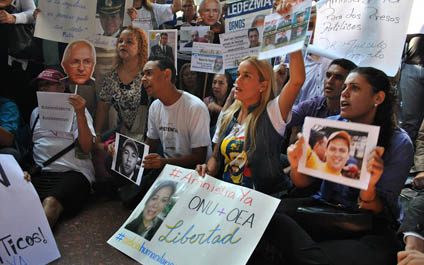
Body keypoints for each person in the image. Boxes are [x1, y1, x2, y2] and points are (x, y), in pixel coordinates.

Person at [285, 67, 414, 264]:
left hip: (365, 224)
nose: (344, 93)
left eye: (354, 88)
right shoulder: (328, 125)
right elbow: (303, 183)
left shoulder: (399, 143)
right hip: (322, 209)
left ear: (378, 98)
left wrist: (368, 186)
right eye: (344, 87)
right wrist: (296, 165)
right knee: (269, 218)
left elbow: (377, 210)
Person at [196, 50, 305, 195]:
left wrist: (293, 40)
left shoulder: (272, 113)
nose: (237, 81)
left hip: (260, 203)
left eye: (246, 76)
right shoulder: (227, 115)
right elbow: (215, 159)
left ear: (263, 85)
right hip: (226, 198)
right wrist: (206, 170)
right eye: (238, 74)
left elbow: (297, 81)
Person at [27, 69, 96, 228]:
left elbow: (86, 148)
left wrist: (79, 114)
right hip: (41, 172)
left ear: (61, 87)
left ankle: (35, 244)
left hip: (73, 173)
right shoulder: (36, 113)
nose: (42, 89)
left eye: (47, 84)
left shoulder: (78, 111)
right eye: (40, 85)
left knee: (51, 204)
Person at [139, 56, 211, 199]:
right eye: (142, 75)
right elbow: (151, 145)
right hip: (166, 167)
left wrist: (163, 162)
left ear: (167, 75)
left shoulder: (194, 107)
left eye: (148, 73)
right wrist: (122, 152)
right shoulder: (155, 106)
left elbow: (199, 157)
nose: (143, 79)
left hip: (193, 171)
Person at [96, 26, 149, 146]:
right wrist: (98, 134)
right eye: (120, 41)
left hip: (149, 136)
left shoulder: (147, 73)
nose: (123, 44)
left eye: (129, 42)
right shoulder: (112, 76)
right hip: (124, 134)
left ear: (140, 47)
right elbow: (103, 106)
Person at [61, 40, 98, 117]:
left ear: (93, 65)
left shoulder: (101, 89)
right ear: (64, 65)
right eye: (75, 62)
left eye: (87, 61)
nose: (81, 68)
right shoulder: (56, 87)